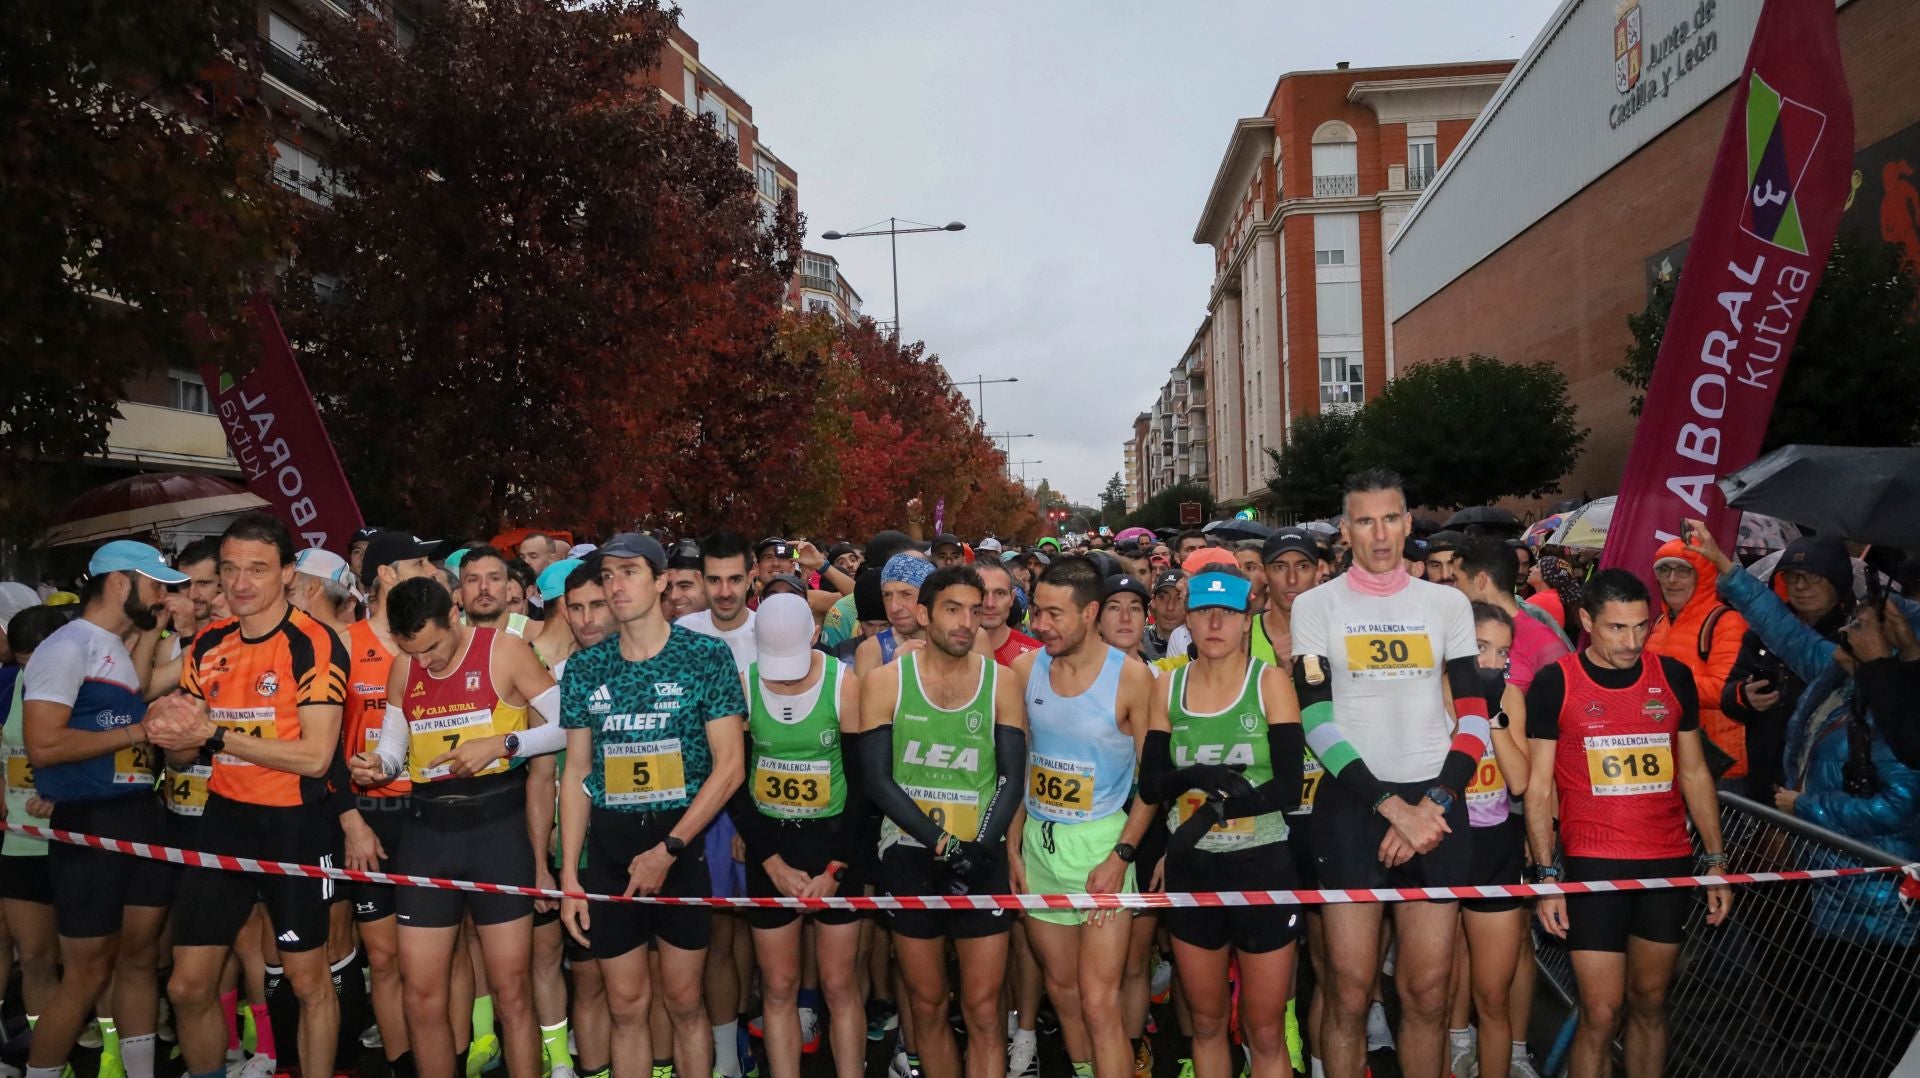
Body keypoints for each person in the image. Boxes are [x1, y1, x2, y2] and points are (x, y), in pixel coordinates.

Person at [1288, 470, 1490, 1078]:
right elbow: (1317, 723)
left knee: (1427, 991)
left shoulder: (1447, 604)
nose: (1380, 534)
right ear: (1345, 530)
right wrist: (1391, 808)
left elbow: (1474, 719)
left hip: (1436, 803)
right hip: (1354, 803)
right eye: (1365, 521)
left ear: (1408, 523)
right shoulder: (1315, 606)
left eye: (1391, 518)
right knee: (1349, 992)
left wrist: (1431, 804)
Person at [143, 514, 351, 1078]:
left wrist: (213, 735)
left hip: (296, 824)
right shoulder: (209, 642)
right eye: (230, 569)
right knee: (187, 986)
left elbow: (315, 757)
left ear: (287, 573)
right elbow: (185, 751)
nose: (240, 583)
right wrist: (171, 735)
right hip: (225, 822)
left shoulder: (315, 642)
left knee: (307, 981)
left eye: (257, 569)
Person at [351, 576, 562, 1078]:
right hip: (428, 834)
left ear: (454, 616)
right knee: (422, 994)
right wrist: (376, 767)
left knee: (511, 991)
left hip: (497, 832)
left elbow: (568, 724)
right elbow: (393, 750)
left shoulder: (504, 651)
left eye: (432, 648)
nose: (426, 663)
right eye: (412, 651)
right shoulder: (405, 667)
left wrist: (504, 745)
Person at [1524, 567, 1730, 1078]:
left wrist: (1715, 860)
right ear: (1586, 621)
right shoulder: (1556, 682)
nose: (1632, 641)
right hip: (1595, 864)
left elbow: (1694, 773)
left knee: (1651, 1002)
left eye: (1640, 626)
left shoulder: (1673, 677)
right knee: (1599, 1012)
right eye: (1617, 628)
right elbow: (1539, 787)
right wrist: (1547, 877)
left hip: (1666, 862)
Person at [557, 533, 746, 1078]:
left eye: (630, 572)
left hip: (680, 847)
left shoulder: (705, 656)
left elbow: (730, 765)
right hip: (611, 847)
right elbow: (577, 771)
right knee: (625, 1005)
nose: (616, 585)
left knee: (684, 1002)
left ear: (661, 580)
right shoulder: (586, 668)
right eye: (608, 575)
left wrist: (670, 847)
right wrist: (569, 874)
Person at [19, 542, 182, 1078]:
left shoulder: (113, 643)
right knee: (86, 973)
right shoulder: (65, 646)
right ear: (118, 583)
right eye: (154, 585)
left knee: (139, 961)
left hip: (139, 813)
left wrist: (155, 629)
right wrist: (137, 732)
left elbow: (134, 691)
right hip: (89, 826)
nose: (162, 595)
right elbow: (43, 745)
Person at [859, 565, 1027, 1078]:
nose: (966, 623)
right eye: (953, 609)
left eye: (974, 611)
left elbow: (1011, 777)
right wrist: (945, 845)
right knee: (928, 1004)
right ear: (924, 613)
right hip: (912, 855)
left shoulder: (1002, 681)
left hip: (981, 853)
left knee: (984, 1009)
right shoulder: (885, 682)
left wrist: (978, 847)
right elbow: (878, 781)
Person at [1139, 564, 1305, 1078]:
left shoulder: (1271, 683)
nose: (1215, 624)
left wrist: (1218, 809)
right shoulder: (1167, 688)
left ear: (1245, 620)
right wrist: (1195, 775)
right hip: (1194, 870)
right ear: (1187, 617)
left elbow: (1288, 787)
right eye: (1204, 611)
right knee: (1207, 1023)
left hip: (1261, 867)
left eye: (1228, 613)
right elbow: (1151, 785)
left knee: (1264, 1028)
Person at [1006, 557, 1156, 1078]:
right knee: (1064, 992)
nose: (1040, 624)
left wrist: (1122, 855)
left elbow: (1154, 782)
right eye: (1037, 611)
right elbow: (1018, 767)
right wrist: (1013, 845)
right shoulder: (1025, 670)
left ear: (1089, 613)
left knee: (1099, 1002)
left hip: (1100, 848)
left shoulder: (1131, 678)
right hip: (1040, 847)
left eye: (1054, 614)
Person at [730, 594, 867, 1078]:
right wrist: (769, 860)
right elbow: (733, 782)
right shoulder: (744, 685)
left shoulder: (844, 684)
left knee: (838, 984)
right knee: (778, 986)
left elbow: (862, 785)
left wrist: (836, 869)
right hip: (771, 847)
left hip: (833, 843)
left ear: (815, 635)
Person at [340, 529, 444, 1078]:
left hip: (431, 810)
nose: (430, 569)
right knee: (383, 958)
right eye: (418, 562)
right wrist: (351, 820)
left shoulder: (438, 638)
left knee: (437, 959)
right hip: (372, 817)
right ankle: (401, 1066)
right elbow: (322, 746)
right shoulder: (344, 642)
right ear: (385, 574)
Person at [1446, 603, 1533, 1078]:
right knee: (1433, 988)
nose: (1491, 661)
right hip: (1440, 846)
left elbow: (1519, 780)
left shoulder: (1510, 697)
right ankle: (1455, 1044)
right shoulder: (1428, 692)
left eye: (1502, 652)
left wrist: (1492, 719)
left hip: (1495, 848)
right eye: (1481, 647)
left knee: (1493, 994)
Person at [1721, 536, 1852, 799]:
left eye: (1813, 577)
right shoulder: (1762, 633)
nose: (1800, 586)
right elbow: (1729, 692)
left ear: (1837, 581)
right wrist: (1743, 696)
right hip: (1759, 778)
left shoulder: (1854, 641)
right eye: (1792, 576)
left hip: (1816, 789)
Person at [2, 605, 69, 1039]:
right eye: (25, 662)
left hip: (78, 841)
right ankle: (45, 1050)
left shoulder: (91, 688)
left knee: (87, 959)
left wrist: (65, 794)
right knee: (34, 958)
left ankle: (106, 1046)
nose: (32, 672)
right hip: (21, 841)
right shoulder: (13, 685)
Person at [1646, 538, 1750, 787]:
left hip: (1717, 762)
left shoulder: (1726, 622)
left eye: (1683, 570)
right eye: (1664, 570)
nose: (1672, 580)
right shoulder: (1660, 622)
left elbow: (1725, 690)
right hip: (1671, 756)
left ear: (1702, 575)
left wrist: (1661, 684)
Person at [680, 531, 757, 670]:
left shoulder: (769, 634)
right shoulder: (684, 632)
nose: (725, 592)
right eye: (714, 580)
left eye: (735, 579)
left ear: (749, 580)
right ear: (701, 581)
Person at [853, 554, 934, 678]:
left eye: (906, 594)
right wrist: (894, 669)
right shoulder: (871, 651)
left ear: (929, 597)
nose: (894, 607)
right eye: (887, 595)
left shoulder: (959, 641)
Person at [975, 559, 1039, 667]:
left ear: (1012, 598)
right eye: (982, 593)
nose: (990, 604)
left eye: (1000, 593)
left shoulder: (1037, 656)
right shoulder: (948, 653)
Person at [459, 546, 533, 638]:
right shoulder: (449, 636)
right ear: (459, 594)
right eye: (473, 580)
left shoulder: (535, 634)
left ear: (508, 590)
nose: (483, 587)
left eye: (494, 579)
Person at [288, 547, 361, 635]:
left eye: (288, 590)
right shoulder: (366, 639)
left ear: (311, 587)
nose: (280, 598)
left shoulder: (290, 640)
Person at [1145, 570, 1185, 661]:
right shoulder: (1137, 641)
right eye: (1163, 597)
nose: (1170, 607)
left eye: (1178, 598)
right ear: (1153, 601)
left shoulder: (1198, 646)